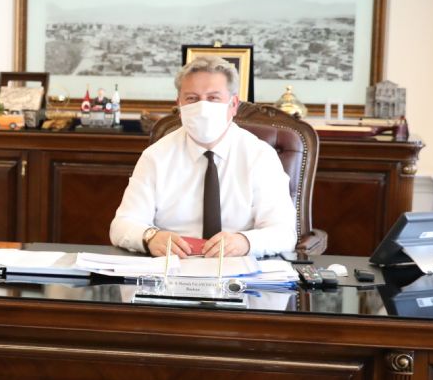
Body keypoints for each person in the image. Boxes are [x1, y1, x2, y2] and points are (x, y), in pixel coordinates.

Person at [110, 55, 296, 258]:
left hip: (238, 268)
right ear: (179, 105)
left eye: (213, 98)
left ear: (233, 104)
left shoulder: (260, 156)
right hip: (173, 267)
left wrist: (245, 241)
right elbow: (121, 225)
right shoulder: (156, 157)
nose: (202, 107)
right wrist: (150, 237)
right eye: (192, 98)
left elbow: (284, 233)